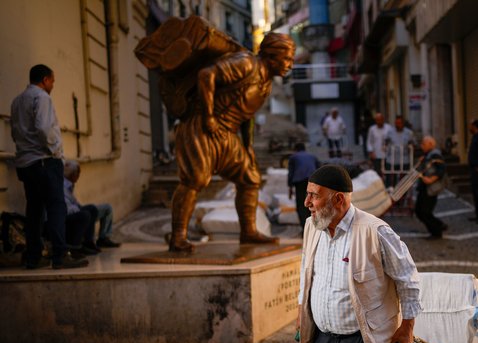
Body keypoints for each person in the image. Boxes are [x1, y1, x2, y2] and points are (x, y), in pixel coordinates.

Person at [135, 17, 296, 251]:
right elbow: (206, 76)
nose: (290, 64)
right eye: (287, 58)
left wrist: (248, 148)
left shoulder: (266, 83)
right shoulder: (246, 64)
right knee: (195, 180)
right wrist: (209, 116)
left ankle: (248, 232)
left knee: (250, 178)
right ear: (272, 55)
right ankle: (178, 235)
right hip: (202, 125)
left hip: (227, 133)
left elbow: (246, 116)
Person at [296, 164, 422, 343]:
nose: (306, 202)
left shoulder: (375, 231)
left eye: (314, 195)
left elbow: (408, 280)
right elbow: (306, 274)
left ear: (338, 199)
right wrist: (301, 314)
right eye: (308, 194)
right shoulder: (312, 226)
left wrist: (407, 327)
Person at [10, 64, 88, 269]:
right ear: (45, 80)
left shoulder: (17, 101)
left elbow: (15, 132)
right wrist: (56, 152)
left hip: (26, 163)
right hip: (45, 161)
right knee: (56, 207)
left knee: (34, 209)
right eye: (52, 81)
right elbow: (44, 128)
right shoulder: (42, 97)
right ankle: (60, 255)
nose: (53, 85)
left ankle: (34, 257)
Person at [63, 160, 121, 250]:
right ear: (73, 174)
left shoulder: (70, 185)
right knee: (88, 212)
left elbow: (74, 202)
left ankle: (103, 238)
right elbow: (68, 208)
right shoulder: (64, 185)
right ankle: (87, 242)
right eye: (77, 173)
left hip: (75, 210)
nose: (78, 176)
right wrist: (82, 210)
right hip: (70, 215)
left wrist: (81, 208)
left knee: (106, 208)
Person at [415, 136, 448, 239]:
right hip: (424, 187)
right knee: (419, 210)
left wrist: (431, 179)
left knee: (425, 212)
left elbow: (441, 170)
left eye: (423, 144)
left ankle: (436, 232)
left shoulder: (435, 154)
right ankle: (439, 225)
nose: (421, 146)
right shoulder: (428, 154)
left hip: (431, 188)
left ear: (430, 144)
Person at [288, 142, 321, 231]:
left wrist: (290, 188)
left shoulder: (293, 157)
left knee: (301, 205)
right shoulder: (312, 157)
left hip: (300, 183)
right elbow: (320, 169)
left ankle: (305, 228)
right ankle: (315, 227)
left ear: (296, 149)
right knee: (313, 203)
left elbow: (291, 173)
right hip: (313, 182)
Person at [386, 115, 415, 187]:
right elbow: (385, 142)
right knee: (392, 179)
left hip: (404, 159)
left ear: (403, 123)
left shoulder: (409, 133)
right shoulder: (390, 132)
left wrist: (410, 146)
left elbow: (413, 143)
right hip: (392, 159)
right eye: (396, 123)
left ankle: (403, 194)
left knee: (404, 179)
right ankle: (393, 192)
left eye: (399, 123)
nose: (397, 125)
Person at [366, 113, 393, 180]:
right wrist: (371, 152)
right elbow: (369, 142)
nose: (379, 121)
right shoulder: (372, 129)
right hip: (376, 155)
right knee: (378, 173)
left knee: (388, 172)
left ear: (383, 120)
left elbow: (392, 139)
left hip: (387, 155)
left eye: (380, 120)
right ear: (375, 121)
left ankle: (388, 187)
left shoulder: (389, 128)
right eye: (377, 120)